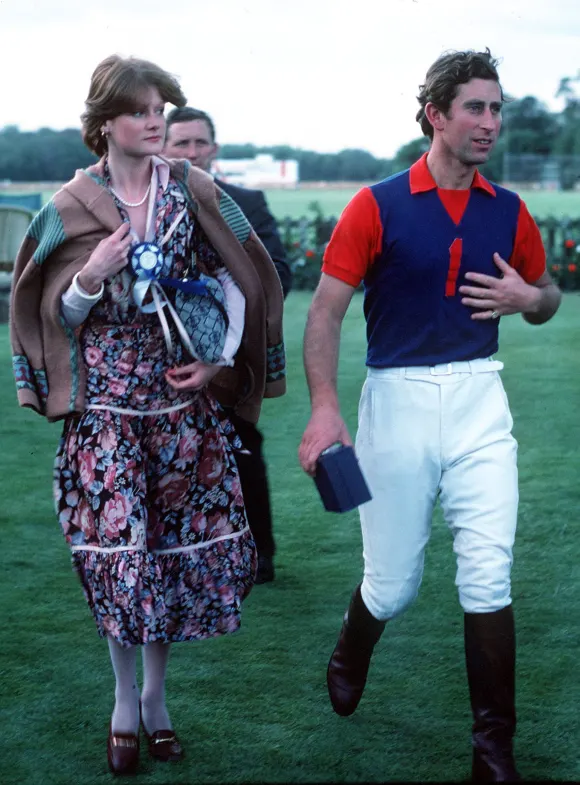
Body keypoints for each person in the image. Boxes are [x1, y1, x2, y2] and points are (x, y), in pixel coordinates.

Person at [10, 55, 285, 776]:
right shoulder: (67, 206)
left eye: (162, 107)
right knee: (121, 562)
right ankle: (123, 703)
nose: (157, 119)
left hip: (178, 410)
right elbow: (51, 310)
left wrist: (221, 359)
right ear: (104, 125)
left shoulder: (195, 189)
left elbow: (238, 276)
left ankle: (158, 700)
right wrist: (94, 273)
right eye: (141, 109)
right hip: (103, 416)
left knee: (163, 559)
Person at [299, 49, 561, 783]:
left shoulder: (508, 210)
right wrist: (325, 409)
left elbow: (547, 296)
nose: (491, 122)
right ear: (435, 114)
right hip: (397, 402)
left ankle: (492, 751)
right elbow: (324, 311)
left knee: (488, 575)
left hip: (482, 398)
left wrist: (527, 300)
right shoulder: (375, 204)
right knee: (394, 584)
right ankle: (355, 640)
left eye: (498, 108)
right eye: (476, 107)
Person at [164, 106, 292, 583]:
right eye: (181, 144)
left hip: (231, 357)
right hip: (163, 356)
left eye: (200, 143)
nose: (192, 152)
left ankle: (259, 556)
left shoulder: (246, 201)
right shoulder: (146, 204)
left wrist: (216, 294)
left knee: (241, 448)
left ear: (214, 148)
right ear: (163, 147)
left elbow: (279, 271)